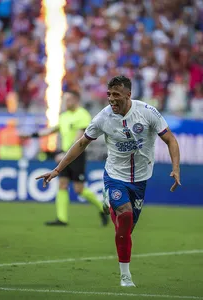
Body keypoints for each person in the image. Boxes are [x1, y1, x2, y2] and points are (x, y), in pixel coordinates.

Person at [36, 76, 181, 287]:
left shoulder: (147, 112)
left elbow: (170, 139)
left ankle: (109, 204)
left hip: (141, 178)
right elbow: (82, 143)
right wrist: (58, 169)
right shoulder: (103, 117)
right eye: (109, 95)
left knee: (127, 229)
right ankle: (125, 275)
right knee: (124, 217)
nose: (111, 100)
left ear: (128, 95)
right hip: (115, 175)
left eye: (116, 95)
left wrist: (175, 167)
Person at [26, 91, 108, 227]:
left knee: (79, 189)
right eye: (64, 100)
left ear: (76, 100)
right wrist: (33, 135)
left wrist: (65, 153)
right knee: (62, 184)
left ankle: (103, 208)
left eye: (68, 99)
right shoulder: (64, 116)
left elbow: (80, 137)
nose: (66, 102)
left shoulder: (82, 115)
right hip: (64, 155)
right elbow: (53, 129)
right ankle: (61, 218)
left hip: (77, 155)